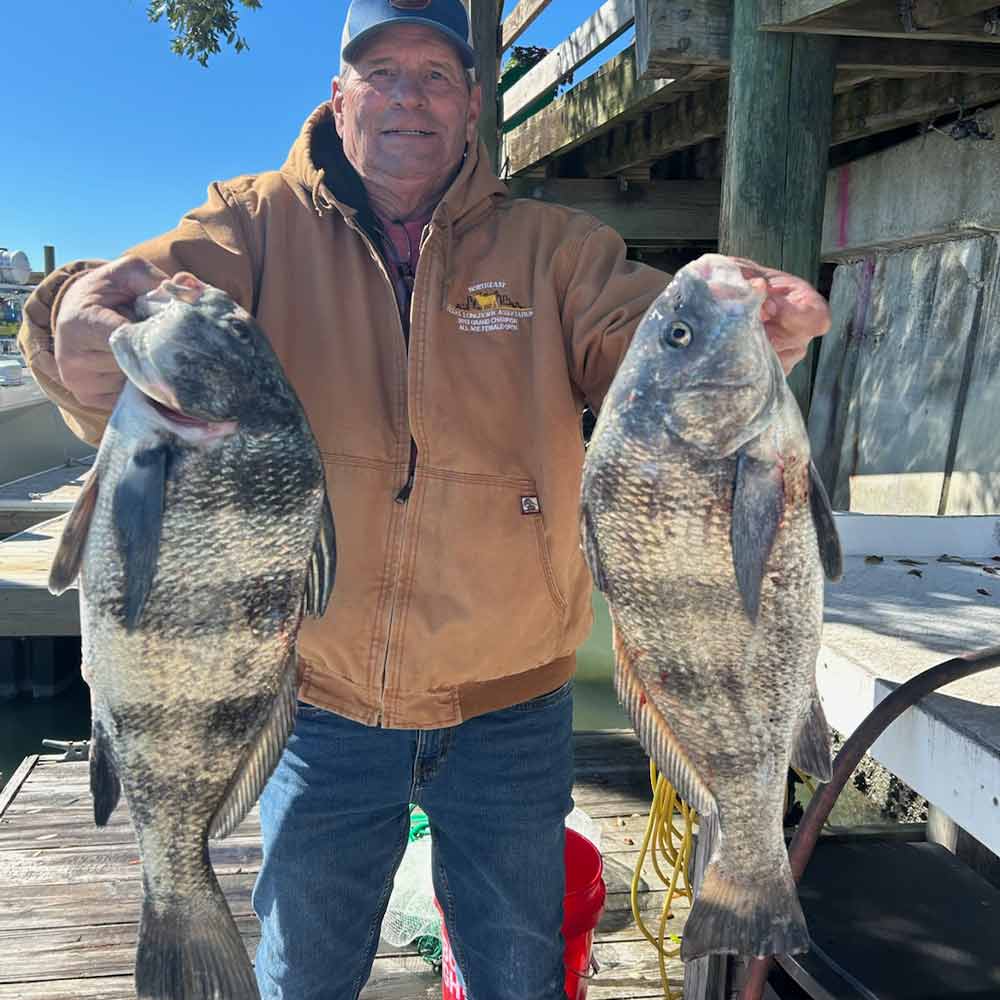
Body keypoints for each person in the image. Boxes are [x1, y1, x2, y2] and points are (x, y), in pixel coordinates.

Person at [19, 1, 831, 996]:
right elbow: (134, 297)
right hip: (321, 701)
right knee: (304, 970)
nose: (408, 95)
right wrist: (68, 315)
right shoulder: (248, 223)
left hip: (514, 700)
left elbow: (636, 348)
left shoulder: (558, 249)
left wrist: (740, 341)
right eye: (380, 70)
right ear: (338, 95)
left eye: (436, 73)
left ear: (473, 105)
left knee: (516, 970)